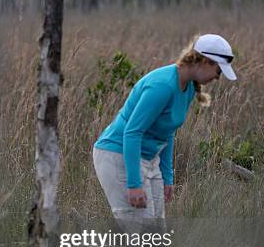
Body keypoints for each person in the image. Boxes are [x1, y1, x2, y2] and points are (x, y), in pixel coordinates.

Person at [93, 34, 236, 235]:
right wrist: (134, 184)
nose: (217, 77)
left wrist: (168, 177)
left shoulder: (188, 88)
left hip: (149, 159)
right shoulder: (163, 86)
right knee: (142, 234)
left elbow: (167, 132)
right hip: (119, 156)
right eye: (218, 70)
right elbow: (132, 132)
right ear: (205, 61)